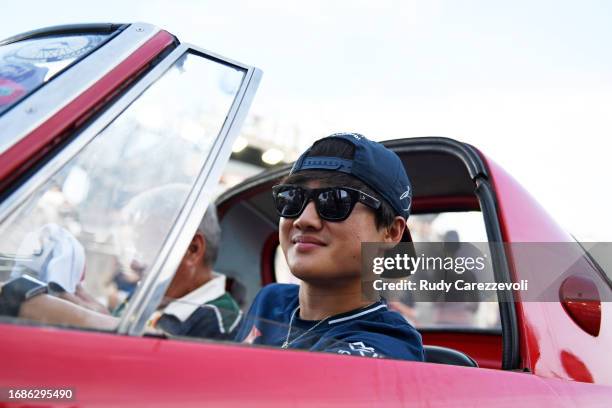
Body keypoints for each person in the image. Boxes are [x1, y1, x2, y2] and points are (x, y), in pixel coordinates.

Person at [235, 132, 424, 361]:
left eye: (336, 200)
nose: (304, 219)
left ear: (391, 232)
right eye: (292, 198)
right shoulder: (271, 300)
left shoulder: (387, 346)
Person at [0, 198, 241, 341]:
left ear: (192, 249)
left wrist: (28, 301)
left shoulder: (222, 323)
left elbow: (155, 366)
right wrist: (105, 315)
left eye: (146, 246)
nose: (134, 262)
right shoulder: (152, 297)